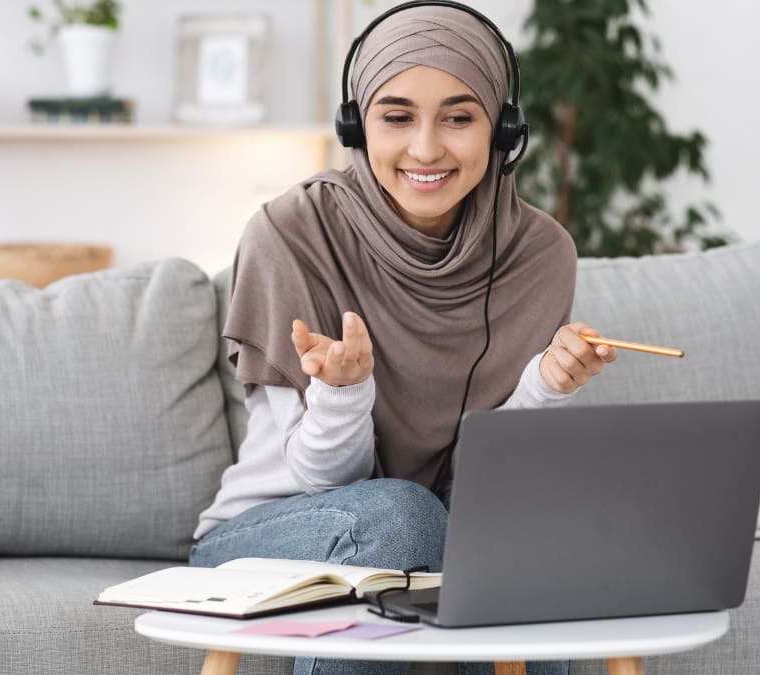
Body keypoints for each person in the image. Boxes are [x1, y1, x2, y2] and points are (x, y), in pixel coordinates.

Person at [190, 3, 617, 674]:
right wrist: (343, 390)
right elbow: (319, 478)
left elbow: (491, 479)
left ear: (503, 129)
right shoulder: (290, 233)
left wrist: (546, 385)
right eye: (396, 117)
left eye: (458, 116)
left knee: (514, 527)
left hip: (448, 521)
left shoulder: (539, 253)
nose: (425, 148)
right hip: (276, 531)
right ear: (357, 125)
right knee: (402, 518)